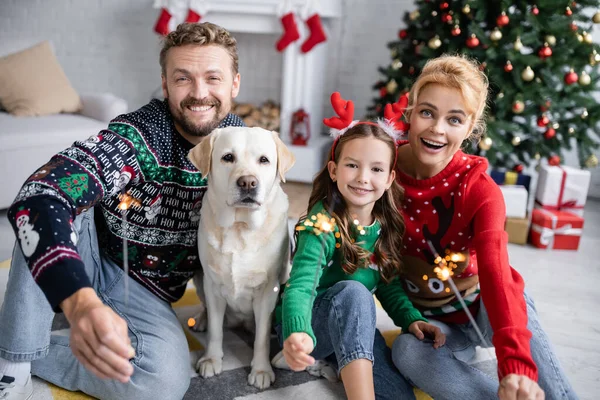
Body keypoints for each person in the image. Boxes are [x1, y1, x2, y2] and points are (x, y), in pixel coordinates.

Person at [0, 22, 244, 400]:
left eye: (213, 78)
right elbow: (38, 195)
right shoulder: (137, 135)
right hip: (94, 253)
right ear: (165, 85)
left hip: (148, 290)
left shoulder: (243, 146)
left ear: (234, 85)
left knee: (162, 383)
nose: (199, 93)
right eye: (183, 79)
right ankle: (12, 366)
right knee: (49, 197)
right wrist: (81, 302)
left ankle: (26, 346)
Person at [390, 55, 578, 400]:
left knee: (519, 316)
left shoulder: (480, 190)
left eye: (455, 119)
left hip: (486, 304)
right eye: (427, 112)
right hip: (437, 325)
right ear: (410, 112)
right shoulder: (382, 173)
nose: (438, 129)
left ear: (471, 127)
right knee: (404, 352)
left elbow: (496, 275)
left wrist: (515, 367)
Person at [275, 92, 446, 400]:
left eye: (376, 169)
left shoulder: (385, 225)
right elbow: (300, 286)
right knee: (353, 292)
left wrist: (411, 318)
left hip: (353, 321)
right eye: (352, 165)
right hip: (310, 325)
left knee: (397, 394)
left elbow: (386, 283)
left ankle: (343, 360)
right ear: (333, 170)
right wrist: (296, 331)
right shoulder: (322, 224)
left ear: (390, 177)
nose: (363, 178)